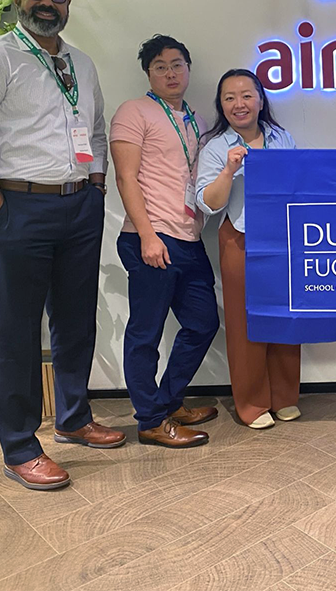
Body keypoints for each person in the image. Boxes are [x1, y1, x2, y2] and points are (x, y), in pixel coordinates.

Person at [0, 0, 125, 490]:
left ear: (68, 3)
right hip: (19, 207)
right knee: (19, 332)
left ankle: (73, 417)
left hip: (78, 206)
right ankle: (20, 446)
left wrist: (95, 186)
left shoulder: (82, 64)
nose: (48, 2)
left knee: (75, 320)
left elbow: (92, 125)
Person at [110, 35, 219, 448]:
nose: (170, 73)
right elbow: (126, 177)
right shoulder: (133, 112)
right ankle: (151, 420)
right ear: (148, 73)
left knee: (203, 323)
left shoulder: (198, 120)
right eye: (160, 66)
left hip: (188, 240)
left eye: (177, 64)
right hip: (150, 238)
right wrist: (148, 235)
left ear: (189, 69)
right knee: (146, 333)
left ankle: (169, 402)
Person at [195, 69, 300, 429]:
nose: (239, 104)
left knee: (286, 319)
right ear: (221, 105)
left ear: (260, 99)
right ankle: (253, 404)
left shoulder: (281, 137)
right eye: (229, 98)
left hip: (283, 242)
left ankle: (285, 396)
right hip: (239, 238)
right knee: (245, 323)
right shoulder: (216, 146)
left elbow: (299, 185)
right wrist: (229, 170)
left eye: (246, 95)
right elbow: (208, 204)